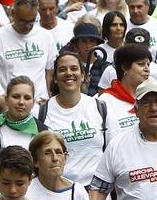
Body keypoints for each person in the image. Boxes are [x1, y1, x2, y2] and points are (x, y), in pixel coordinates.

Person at [37, 51, 109, 189]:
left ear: (83, 75)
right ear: (55, 78)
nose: (68, 73)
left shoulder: (100, 107)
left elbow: (113, 152)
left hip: (97, 190)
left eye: (74, 68)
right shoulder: (41, 112)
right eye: (62, 70)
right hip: (58, 190)